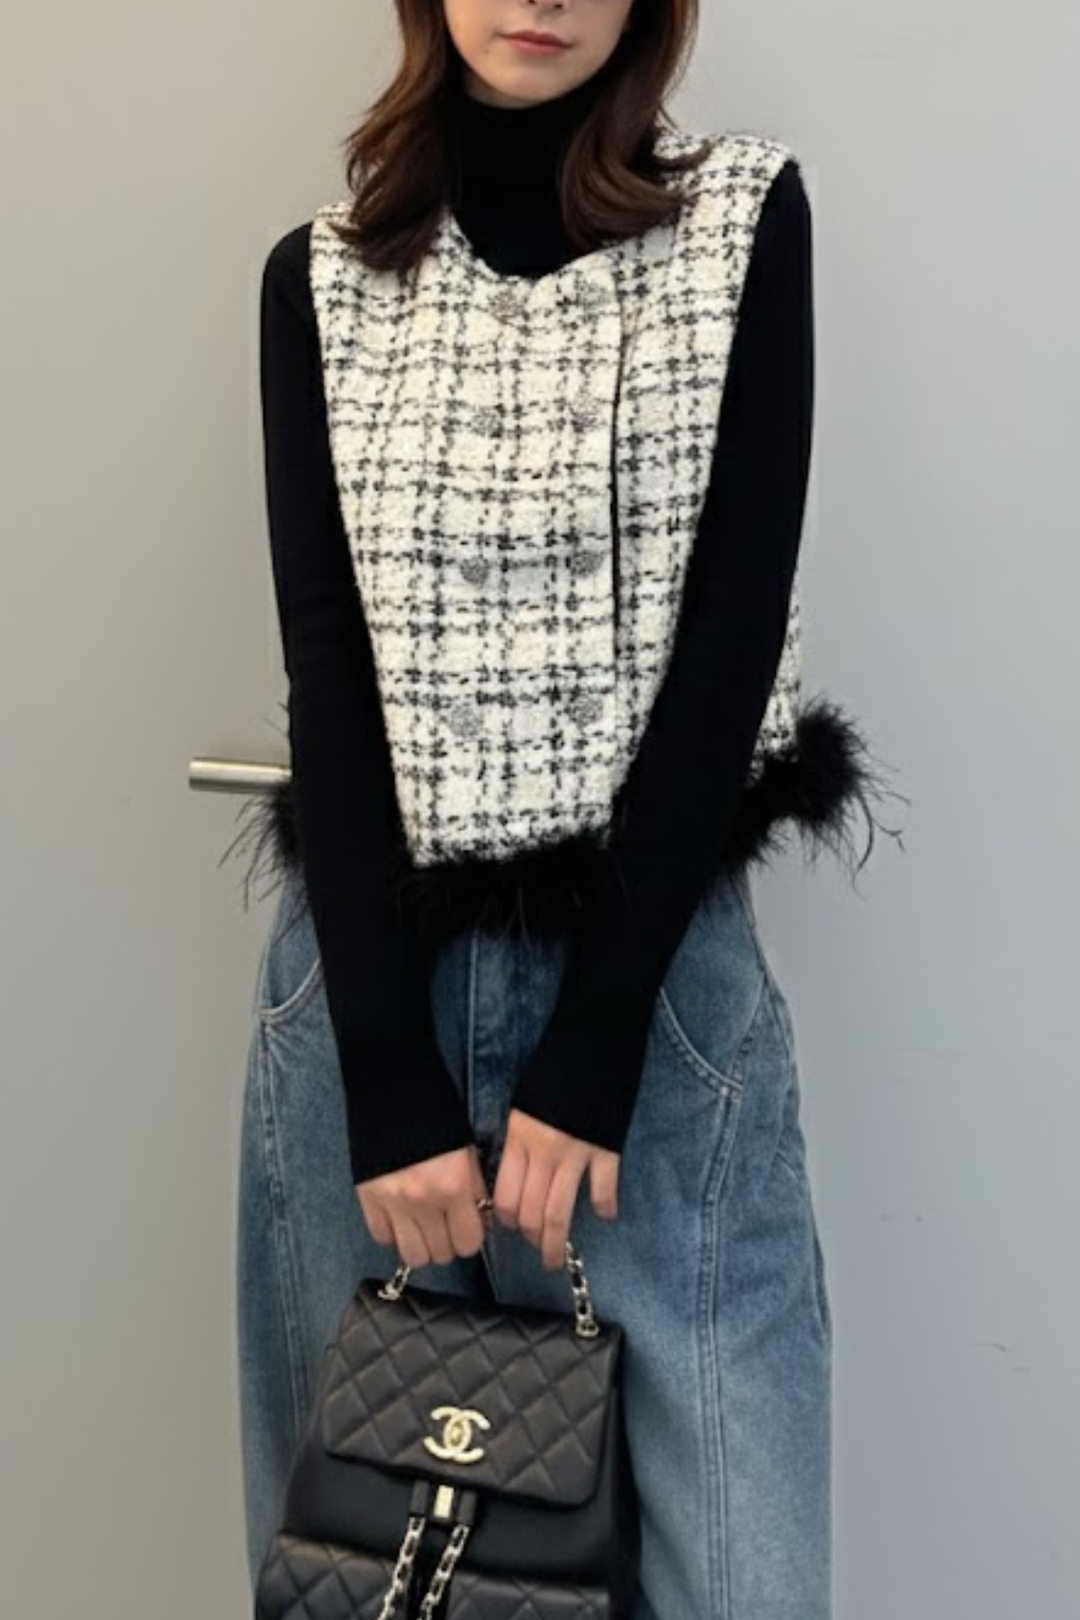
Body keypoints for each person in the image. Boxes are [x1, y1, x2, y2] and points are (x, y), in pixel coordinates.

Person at [232, 2, 901, 1614]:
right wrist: (386, 1074)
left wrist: (595, 1046)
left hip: (652, 1009)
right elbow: (329, 672)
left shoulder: (740, 220)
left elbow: (731, 643)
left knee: (737, 1577)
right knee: (371, 1578)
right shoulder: (319, 279)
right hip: (367, 1007)